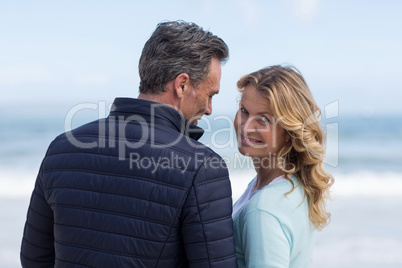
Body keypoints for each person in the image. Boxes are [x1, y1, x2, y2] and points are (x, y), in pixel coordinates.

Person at [20, 21, 238, 267]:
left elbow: (34, 258)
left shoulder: (61, 148)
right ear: (182, 85)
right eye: (210, 95)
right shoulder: (202, 167)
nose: (210, 109)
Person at [232, 65, 334, 267]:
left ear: (289, 131)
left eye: (263, 119)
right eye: (244, 111)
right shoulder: (287, 186)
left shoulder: (263, 209)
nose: (246, 126)